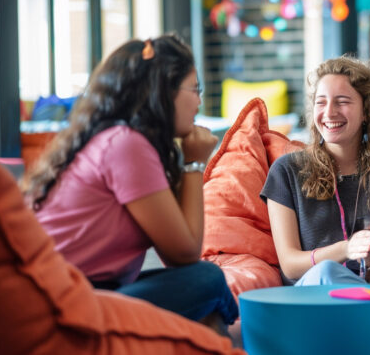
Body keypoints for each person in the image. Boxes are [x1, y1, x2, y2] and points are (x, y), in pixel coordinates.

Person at [23, 35, 238, 332]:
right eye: (195, 89)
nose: (199, 101)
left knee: (205, 295)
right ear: (163, 92)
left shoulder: (121, 141)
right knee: (207, 280)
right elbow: (186, 254)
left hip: (84, 290)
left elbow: (178, 256)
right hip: (62, 301)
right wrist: (194, 163)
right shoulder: (125, 146)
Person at [261, 55, 370, 287]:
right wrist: (346, 249)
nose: (329, 112)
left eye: (342, 101)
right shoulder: (286, 171)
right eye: (321, 102)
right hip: (309, 298)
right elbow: (290, 264)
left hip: (362, 296)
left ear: (367, 111)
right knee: (326, 272)